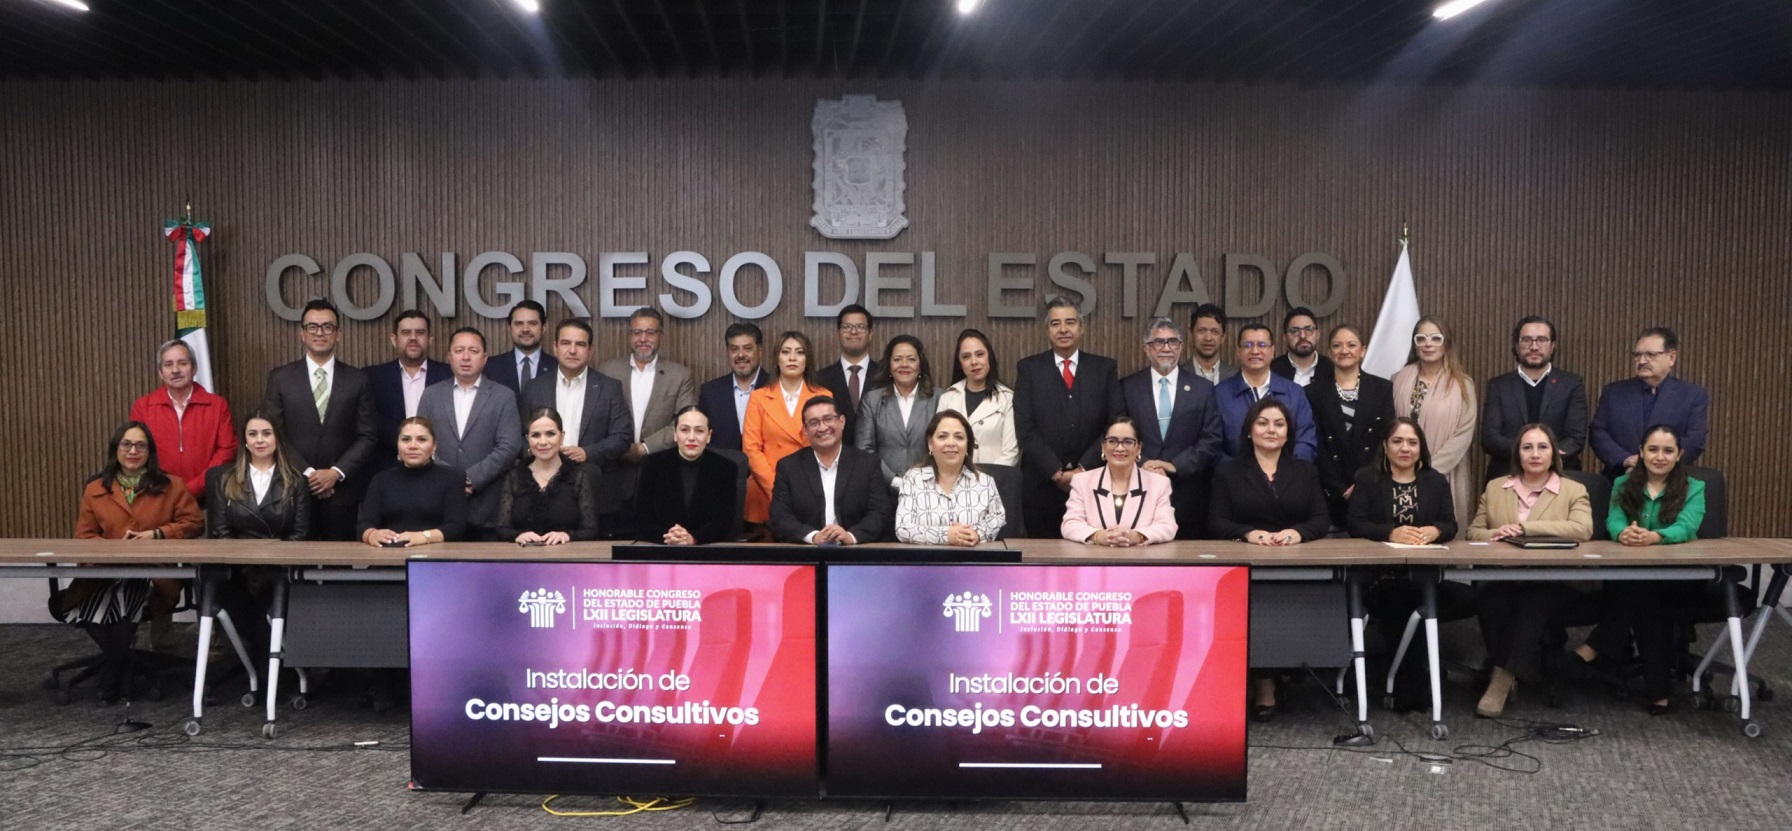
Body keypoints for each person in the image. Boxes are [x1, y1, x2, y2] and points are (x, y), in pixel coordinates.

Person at [60, 422, 203, 702]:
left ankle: (110, 679)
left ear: (150, 452)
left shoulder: (171, 485)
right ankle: (120, 668)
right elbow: (84, 536)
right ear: (116, 449)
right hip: (105, 573)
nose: (133, 451)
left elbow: (194, 523)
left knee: (128, 603)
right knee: (85, 603)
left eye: (140, 445)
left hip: (154, 575)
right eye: (126, 444)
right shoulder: (95, 488)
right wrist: (113, 550)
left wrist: (157, 534)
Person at [1207, 398, 1330, 720]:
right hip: (1246, 565)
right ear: (1249, 430)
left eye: (1279, 424)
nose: (1271, 430)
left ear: (1289, 433)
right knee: (1255, 603)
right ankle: (1264, 681)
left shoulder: (1304, 471)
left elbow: (1321, 519)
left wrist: (1297, 533)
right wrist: (1248, 534)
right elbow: (1216, 521)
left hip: (1294, 564)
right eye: (1262, 423)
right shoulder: (1228, 471)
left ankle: (1283, 672)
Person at [1575, 425, 1711, 714]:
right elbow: (1614, 520)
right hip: (1632, 574)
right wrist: (1623, 533)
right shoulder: (1623, 483)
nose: (1659, 457)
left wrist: (1656, 536)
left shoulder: (1694, 487)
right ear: (1641, 452)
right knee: (1644, 599)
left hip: (1678, 578)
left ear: (1679, 454)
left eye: (1668, 451)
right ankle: (1658, 693)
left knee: (1642, 593)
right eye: (1653, 449)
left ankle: (1597, 645)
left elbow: (1687, 527)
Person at [1465, 424, 1595, 718]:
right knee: (1490, 598)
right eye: (1527, 447)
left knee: (1534, 601)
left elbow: (1582, 528)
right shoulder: (1496, 487)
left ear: (1554, 454)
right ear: (1517, 454)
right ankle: (1507, 668)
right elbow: (1474, 531)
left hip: (1557, 579)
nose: (1535, 454)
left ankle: (1501, 679)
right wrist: (1498, 533)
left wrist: (1526, 528)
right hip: (1507, 574)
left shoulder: (1573, 489)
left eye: (1542, 447)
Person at [1348, 418, 1470, 711]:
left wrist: (1435, 531)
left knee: (1466, 598)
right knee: (1401, 602)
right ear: (1385, 446)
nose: (1405, 448)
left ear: (1421, 448)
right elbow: (1355, 524)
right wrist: (1390, 533)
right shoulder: (1367, 478)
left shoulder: (1434, 480)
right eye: (1397, 441)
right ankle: (1408, 686)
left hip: (1425, 575)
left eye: (1412, 442)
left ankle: (1409, 680)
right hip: (1379, 578)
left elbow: (1450, 524)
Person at [260, 299, 378, 541]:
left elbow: (367, 435)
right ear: (302, 334)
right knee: (295, 562)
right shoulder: (280, 378)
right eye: (312, 327)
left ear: (338, 334)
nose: (319, 333)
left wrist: (336, 472)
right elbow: (273, 433)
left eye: (327, 327)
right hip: (292, 491)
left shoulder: (357, 379)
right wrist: (309, 474)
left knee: (340, 562)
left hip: (342, 495)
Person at [205, 410, 313, 668]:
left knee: (269, 619)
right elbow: (220, 532)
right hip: (237, 570)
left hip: (280, 570)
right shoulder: (224, 479)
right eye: (253, 434)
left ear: (277, 439)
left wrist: (270, 566)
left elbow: (300, 534)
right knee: (227, 598)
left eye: (266, 433)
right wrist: (245, 565)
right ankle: (254, 673)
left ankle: (273, 676)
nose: (260, 440)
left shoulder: (296, 481)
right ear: (245, 441)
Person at [1014, 296, 1125, 538]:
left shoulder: (1104, 369)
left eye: (1070, 322)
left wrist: (1083, 469)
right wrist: (1055, 471)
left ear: (1081, 328)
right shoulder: (1029, 369)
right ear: (1047, 330)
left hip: (1095, 484)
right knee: (1042, 557)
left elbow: (1115, 424)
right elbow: (1024, 427)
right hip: (1041, 488)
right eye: (1055, 323)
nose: (1063, 329)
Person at [1121, 317, 1222, 539]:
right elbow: (1120, 435)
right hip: (1138, 490)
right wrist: (1145, 463)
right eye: (1158, 342)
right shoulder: (1128, 387)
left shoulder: (1203, 389)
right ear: (1146, 348)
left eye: (1173, 342)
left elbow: (1212, 438)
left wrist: (1173, 465)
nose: (1166, 348)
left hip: (1189, 495)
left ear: (1181, 347)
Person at [417, 328, 522, 538]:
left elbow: (509, 447)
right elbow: (421, 443)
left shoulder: (503, 396)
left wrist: (471, 479)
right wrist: (452, 480)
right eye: (459, 351)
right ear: (449, 356)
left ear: (484, 358)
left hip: (488, 506)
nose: (466, 357)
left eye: (473, 351)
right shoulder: (431, 395)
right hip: (439, 504)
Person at [597, 307, 697, 516]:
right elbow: (599, 418)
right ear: (629, 335)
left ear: (660, 336)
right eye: (637, 332)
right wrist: (618, 446)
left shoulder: (680, 375)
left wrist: (644, 448)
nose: (643, 339)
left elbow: (684, 424)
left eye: (650, 333)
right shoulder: (607, 371)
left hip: (660, 471)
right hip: (614, 472)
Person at [1391, 316, 1479, 531]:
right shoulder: (1397, 380)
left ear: (1446, 343)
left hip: (1445, 472)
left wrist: (1429, 470)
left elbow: (1463, 434)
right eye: (1421, 338)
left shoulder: (1463, 385)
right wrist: (1408, 468)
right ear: (1414, 344)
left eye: (1435, 338)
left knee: (1441, 532)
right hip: (1400, 471)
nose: (1428, 344)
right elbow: (1389, 428)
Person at [767, 396, 892, 545]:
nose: (822, 428)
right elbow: (779, 517)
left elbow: (880, 513)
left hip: (856, 551)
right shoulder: (788, 467)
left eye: (828, 419)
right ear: (805, 430)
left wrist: (850, 536)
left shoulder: (867, 463)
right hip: (807, 551)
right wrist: (813, 536)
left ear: (842, 422)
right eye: (814, 423)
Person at [1307, 324, 1396, 528]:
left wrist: (1364, 481)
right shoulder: (1313, 392)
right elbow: (1316, 444)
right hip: (1328, 490)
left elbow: (1387, 439)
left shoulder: (1382, 388)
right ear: (1329, 351)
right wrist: (1338, 488)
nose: (1344, 350)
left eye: (1351, 345)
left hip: (1372, 486)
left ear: (1363, 350)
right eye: (1337, 345)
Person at [1590, 327, 1709, 479]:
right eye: (1637, 355)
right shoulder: (1614, 392)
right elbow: (1598, 433)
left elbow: (1695, 440)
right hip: (1619, 478)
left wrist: (1653, 464)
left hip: (1672, 481)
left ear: (1671, 358)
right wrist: (1625, 459)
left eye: (1650, 355)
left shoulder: (1692, 395)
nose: (1642, 361)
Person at [1481, 316, 1589, 479]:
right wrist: (1526, 454)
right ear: (1516, 345)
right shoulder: (1498, 386)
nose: (1534, 346)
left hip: (1561, 473)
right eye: (1526, 340)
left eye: (1541, 340)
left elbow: (1576, 437)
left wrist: (1546, 456)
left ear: (1553, 345)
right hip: (1507, 473)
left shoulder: (1571, 384)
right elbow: (1490, 438)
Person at [520, 318, 632, 476]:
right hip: (543, 478)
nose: (572, 350)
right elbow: (520, 435)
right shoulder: (534, 387)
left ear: (590, 350)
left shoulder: (610, 388)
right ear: (555, 348)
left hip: (593, 476)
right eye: (566, 343)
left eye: (580, 344)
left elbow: (622, 436)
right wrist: (537, 453)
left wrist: (587, 453)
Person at [129, 338, 236, 503]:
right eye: (168, 364)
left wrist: (193, 488)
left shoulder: (217, 405)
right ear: (160, 372)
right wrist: (162, 488)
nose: (175, 370)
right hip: (157, 497)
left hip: (206, 498)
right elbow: (136, 451)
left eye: (182, 363)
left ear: (194, 368)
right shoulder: (143, 407)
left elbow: (227, 450)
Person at [742, 331, 828, 527]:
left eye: (799, 352)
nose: (792, 358)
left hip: (811, 490)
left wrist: (800, 493)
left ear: (807, 359)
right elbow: (751, 449)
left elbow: (827, 447)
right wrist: (777, 489)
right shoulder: (759, 398)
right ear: (777, 358)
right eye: (786, 351)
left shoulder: (823, 396)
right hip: (766, 490)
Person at [895, 410, 1006, 546]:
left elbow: (998, 517)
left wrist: (977, 533)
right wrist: (946, 535)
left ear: (967, 444)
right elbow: (903, 528)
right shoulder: (913, 479)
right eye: (942, 437)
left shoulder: (985, 482)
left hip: (973, 558)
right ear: (930, 443)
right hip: (925, 559)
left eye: (959, 437)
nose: (951, 443)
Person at [1061, 416, 1178, 546]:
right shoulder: (1082, 481)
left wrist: (1137, 536)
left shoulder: (1159, 484)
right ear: (1103, 447)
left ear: (1138, 448)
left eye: (1128, 442)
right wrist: (1099, 536)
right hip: (1095, 558)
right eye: (1112, 441)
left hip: (1141, 558)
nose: (1120, 448)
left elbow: (1167, 526)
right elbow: (1070, 524)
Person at [495, 408, 601, 544]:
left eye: (550, 434)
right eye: (536, 435)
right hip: (523, 553)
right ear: (527, 439)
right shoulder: (514, 476)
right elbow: (502, 528)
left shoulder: (578, 477)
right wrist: (517, 536)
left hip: (566, 554)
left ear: (562, 436)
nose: (543, 442)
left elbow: (590, 529)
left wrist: (567, 536)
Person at [357, 417, 468, 547]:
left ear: (434, 446)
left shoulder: (452, 477)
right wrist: (371, 534)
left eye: (422, 439)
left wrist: (424, 536)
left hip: (435, 554)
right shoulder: (381, 479)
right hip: (390, 553)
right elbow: (364, 524)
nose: (413, 446)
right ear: (398, 445)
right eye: (406, 439)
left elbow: (456, 527)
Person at [636, 406, 739, 546]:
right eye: (684, 430)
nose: (691, 437)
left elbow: (724, 522)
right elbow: (643, 517)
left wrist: (693, 538)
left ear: (709, 436)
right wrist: (670, 537)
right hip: (661, 547)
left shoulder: (725, 468)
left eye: (699, 431)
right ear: (675, 434)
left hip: (705, 549)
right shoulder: (653, 464)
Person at [1214, 323, 1317, 462]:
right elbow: (1213, 446)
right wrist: (1238, 471)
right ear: (1238, 351)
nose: (1255, 351)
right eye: (1248, 345)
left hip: (1287, 474)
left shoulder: (1294, 392)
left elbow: (1306, 440)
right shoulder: (1220, 394)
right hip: (1234, 474)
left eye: (1262, 345)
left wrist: (1286, 470)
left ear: (1272, 351)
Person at [365, 309, 450, 474]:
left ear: (430, 339)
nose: (413, 338)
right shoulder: (372, 377)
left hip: (439, 470)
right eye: (406, 333)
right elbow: (370, 424)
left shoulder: (449, 375)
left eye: (420, 332)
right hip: (387, 471)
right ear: (394, 339)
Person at [856, 335, 944, 487]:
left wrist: (925, 481)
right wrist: (895, 481)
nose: (904, 365)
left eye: (911, 359)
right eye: (897, 359)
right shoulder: (872, 400)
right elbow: (864, 449)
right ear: (889, 366)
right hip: (883, 488)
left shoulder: (939, 398)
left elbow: (947, 445)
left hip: (931, 487)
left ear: (920, 365)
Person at [936, 328, 1021, 467]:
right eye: (966, 357)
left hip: (995, 476)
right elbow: (939, 445)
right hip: (954, 476)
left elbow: (1011, 452)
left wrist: (984, 479)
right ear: (960, 363)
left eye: (980, 354)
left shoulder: (1007, 398)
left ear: (989, 357)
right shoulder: (947, 398)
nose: (974, 362)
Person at [696, 322, 771, 451]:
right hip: (723, 463)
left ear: (759, 351)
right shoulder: (710, 392)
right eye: (734, 349)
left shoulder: (776, 387)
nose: (741, 355)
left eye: (747, 348)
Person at [816, 304, 880, 440]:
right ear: (838, 333)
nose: (853, 332)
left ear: (870, 334)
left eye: (860, 327)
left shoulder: (884, 375)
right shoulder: (820, 378)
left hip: (877, 452)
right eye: (847, 327)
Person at [482, 300, 557, 393]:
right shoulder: (490, 367)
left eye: (532, 323)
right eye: (519, 324)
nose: (525, 329)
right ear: (510, 328)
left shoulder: (557, 367)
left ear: (543, 328)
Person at [1269, 306, 1333, 387]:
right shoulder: (1272, 370)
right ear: (1285, 337)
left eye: (1309, 329)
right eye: (1295, 331)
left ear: (1318, 334)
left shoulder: (1332, 369)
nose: (1303, 336)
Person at [1187, 303, 1238, 386]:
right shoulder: (1178, 375)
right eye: (1201, 330)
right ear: (1191, 334)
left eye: (1215, 332)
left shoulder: (1236, 377)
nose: (1208, 338)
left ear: (1223, 337)